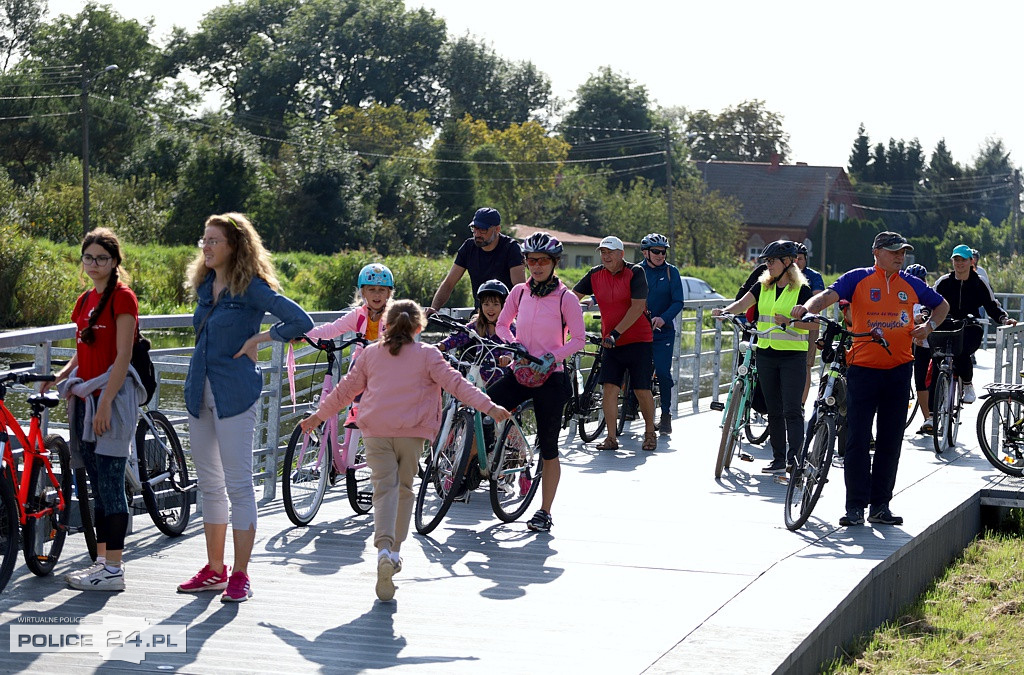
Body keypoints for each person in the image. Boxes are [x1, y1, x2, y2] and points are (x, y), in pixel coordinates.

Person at [301, 299, 511, 600]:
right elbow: (458, 385)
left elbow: (345, 391)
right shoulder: (428, 355)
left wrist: (317, 417)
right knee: (403, 490)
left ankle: (383, 550)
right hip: (412, 434)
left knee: (383, 490)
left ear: (386, 324)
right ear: (418, 326)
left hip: (375, 432)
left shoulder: (371, 354)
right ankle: (395, 553)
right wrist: (489, 407)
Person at [178, 213, 313, 602]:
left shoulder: (251, 287)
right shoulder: (205, 286)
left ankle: (240, 574)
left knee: (238, 485)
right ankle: (214, 569)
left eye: (214, 241)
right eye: (204, 240)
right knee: (209, 484)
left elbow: (300, 321)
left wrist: (260, 339)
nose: (206, 247)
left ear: (234, 246)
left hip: (235, 393)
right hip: (198, 391)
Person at [792, 231, 949, 527]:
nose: (900, 256)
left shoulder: (912, 284)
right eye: (894, 252)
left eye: (903, 252)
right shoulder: (858, 278)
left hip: (899, 370)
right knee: (858, 439)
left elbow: (942, 306)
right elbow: (827, 296)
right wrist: (806, 309)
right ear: (876, 252)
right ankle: (855, 507)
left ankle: (880, 506)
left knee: (890, 441)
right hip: (863, 370)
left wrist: (929, 327)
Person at [46, 228, 145, 592]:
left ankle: (114, 569)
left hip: (112, 403)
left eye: (102, 258)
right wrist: (59, 377)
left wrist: (104, 404)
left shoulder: (123, 298)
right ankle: (102, 563)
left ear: (114, 261)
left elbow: (123, 356)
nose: (94, 263)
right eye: (88, 257)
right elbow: (82, 350)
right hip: (86, 402)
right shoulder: (85, 300)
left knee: (111, 484)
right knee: (98, 487)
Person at [492, 232, 585, 532]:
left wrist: (552, 357)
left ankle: (544, 512)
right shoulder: (519, 292)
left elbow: (579, 340)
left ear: (554, 262)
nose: (537, 266)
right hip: (520, 371)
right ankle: (469, 472)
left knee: (549, 446)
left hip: (551, 376)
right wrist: (512, 344)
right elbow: (502, 325)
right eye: (531, 261)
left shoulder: (566, 298)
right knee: (481, 408)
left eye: (543, 260)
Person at [713, 240, 817, 474]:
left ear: (787, 262)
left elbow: (813, 325)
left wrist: (790, 322)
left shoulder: (802, 290)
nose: (768, 265)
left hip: (792, 356)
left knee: (792, 409)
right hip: (766, 354)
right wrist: (725, 312)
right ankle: (778, 460)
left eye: (772, 261)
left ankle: (795, 460)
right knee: (774, 409)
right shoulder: (763, 286)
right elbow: (742, 304)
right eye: (767, 261)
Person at [572, 235, 658, 452]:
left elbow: (637, 307)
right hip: (611, 342)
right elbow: (572, 297)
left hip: (638, 340)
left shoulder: (635, 272)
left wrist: (616, 333)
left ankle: (650, 432)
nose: (606, 256)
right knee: (609, 388)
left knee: (641, 389)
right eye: (603, 252)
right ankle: (611, 438)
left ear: (621, 254)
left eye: (610, 252)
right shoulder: (595, 274)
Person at [931, 244, 1015, 407]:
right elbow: (930, 301)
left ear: (971, 261)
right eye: (956, 260)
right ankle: (932, 414)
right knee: (936, 360)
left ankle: (967, 384)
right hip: (946, 325)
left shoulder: (979, 282)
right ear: (952, 261)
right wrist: (925, 314)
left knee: (962, 351)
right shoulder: (944, 282)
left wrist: (1004, 319)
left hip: (971, 326)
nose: (959, 263)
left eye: (963, 260)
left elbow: (992, 305)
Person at [426, 207, 526, 315]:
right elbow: (449, 283)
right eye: (474, 229)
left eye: (483, 230)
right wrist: (434, 309)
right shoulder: (468, 247)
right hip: (479, 316)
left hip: (507, 315)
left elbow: (519, 289)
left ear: (497, 229)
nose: (477, 234)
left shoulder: (512, 248)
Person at [637, 233, 684, 434]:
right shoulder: (636, 271)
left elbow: (678, 301)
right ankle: (630, 407)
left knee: (663, 373)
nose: (660, 255)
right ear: (645, 253)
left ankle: (665, 415)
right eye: (656, 251)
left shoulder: (672, 272)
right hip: (639, 331)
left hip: (663, 332)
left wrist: (663, 318)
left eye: (663, 252)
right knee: (637, 371)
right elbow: (620, 292)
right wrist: (594, 300)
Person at [307, 263, 393, 345]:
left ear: (388, 293)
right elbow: (333, 329)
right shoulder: (358, 315)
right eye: (371, 289)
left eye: (382, 290)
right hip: (362, 355)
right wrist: (304, 334)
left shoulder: (394, 316)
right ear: (363, 293)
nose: (377, 294)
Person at [904, 263, 934, 434]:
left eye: (920, 280)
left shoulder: (929, 294)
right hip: (916, 343)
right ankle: (927, 418)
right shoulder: (902, 295)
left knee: (935, 377)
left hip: (933, 342)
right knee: (920, 380)